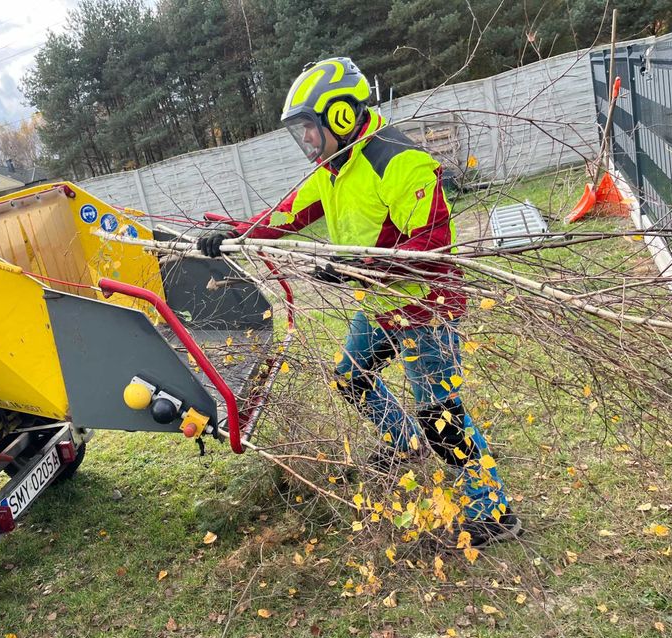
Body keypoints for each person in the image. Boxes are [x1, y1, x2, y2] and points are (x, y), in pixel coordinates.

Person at [196, 57, 520, 547]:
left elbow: (432, 246)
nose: (305, 141)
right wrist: (233, 231)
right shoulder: (333, 168)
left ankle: (493, 510)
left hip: (426, 307)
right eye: (300, 132)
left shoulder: (397, 160)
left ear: (341, 116)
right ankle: (403, 441)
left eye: (309, 129)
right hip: (380, 306)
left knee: (440, 412)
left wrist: (354, 269)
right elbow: (286, 216)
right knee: (351, 376)